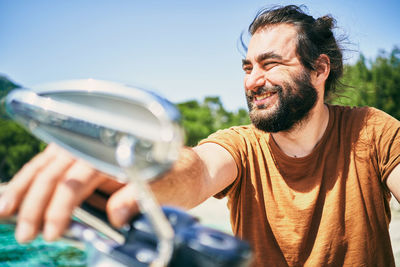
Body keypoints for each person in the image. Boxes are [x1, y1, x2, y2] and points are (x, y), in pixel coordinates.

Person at [0, 5, 399, 266]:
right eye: (247, 68)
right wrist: (138, 171)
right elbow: (196, 170)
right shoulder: (242, 145)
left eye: (270, 64)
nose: (253, 81)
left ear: (319, 69)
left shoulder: (373, 130)